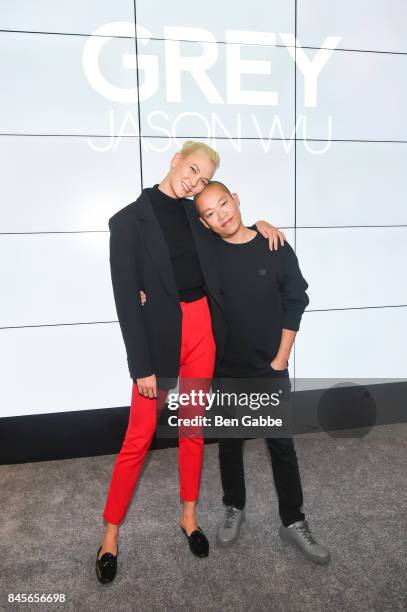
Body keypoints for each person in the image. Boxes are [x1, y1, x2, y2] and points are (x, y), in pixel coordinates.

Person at [95, 141, 286, 583]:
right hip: (159, 340)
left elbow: (227, 228)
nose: (195, 182)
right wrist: (140, 365)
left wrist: (259, 223)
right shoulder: (126, 222)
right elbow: (127, 300)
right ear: (176, 159)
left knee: (193, 428)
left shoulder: (193, 215)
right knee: (139, 437)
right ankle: (109, 535)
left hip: (202, 329)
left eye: (203, 180)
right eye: (193, 170)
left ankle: (189, 516)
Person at [193, 180, 331, 565]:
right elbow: (171, 243)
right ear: (204, 223)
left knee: (281, 445)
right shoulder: (207, 253)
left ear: (236, 200)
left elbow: (296, 299)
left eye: (224, 204)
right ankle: (234, 505)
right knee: (229, 442)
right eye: (210, 213)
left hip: (270, 367)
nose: (222, 215)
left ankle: (294, 520)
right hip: (226, 369)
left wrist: (281, 360)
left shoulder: (274, 245)